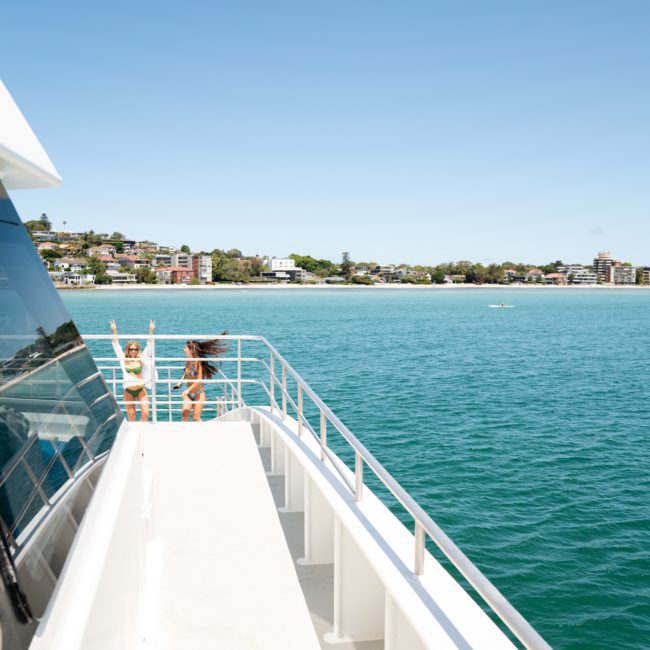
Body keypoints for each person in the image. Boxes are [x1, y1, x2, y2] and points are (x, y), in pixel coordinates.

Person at [110, 319, 155, 422]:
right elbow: (116, 346)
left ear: (138, 350)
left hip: (140, 389)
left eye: (135, 349)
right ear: (128, 350)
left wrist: (151, 331)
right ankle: (134, 431)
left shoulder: (141, 358)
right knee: (132, 415)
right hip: (128, 391)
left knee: (145, 413)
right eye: (131, 349)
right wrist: (114, 331)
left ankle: (142, 430)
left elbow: (150, 347)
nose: (133, 351)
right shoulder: (123, 359)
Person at [175, 334, 228, 422]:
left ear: (190, 350)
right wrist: (180, 381)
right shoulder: (188, 360)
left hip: (198, 394)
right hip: (189, 394)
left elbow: (199, 381)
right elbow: (186, 372)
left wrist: (187, 390)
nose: (184, 350)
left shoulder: (197, 363)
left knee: (196, 418)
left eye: (186, 348)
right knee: (184, 413)